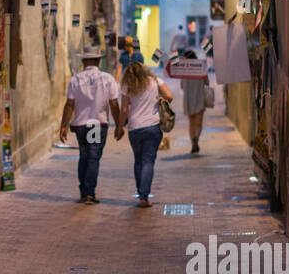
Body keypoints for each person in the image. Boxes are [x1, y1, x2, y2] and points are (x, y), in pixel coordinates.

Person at [58, 48, 121, 205]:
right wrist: (119, 124)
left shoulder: (76, 79)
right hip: (96, 123)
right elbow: (114, 104)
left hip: (81, 124)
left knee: (84, 157)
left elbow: (69, 104)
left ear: (83, 61)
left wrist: (63, 125)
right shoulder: (107, 79)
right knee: (92, 158)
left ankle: (84, 191)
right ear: (99, 61)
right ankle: (89, 193)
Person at [116, 62, 173, 207]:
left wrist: (119, 127)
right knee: (148, 160)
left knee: (138, 160)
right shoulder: (154, 81)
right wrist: (159, 102)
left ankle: (140, 192)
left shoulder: (127, 85)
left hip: (135, 128)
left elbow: (123, 110)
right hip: (153, 126)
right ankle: (144, 196)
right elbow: (169, 96)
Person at [179, 48, 209, 155]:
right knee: (198, 124)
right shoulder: (201, 67)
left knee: (191, 124)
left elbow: (182, 86)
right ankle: (196, 138)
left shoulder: (184, 70)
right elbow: (207, 82)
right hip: (199, 98)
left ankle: (193, 144)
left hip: (188, 99)